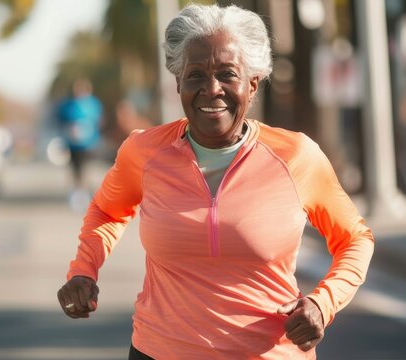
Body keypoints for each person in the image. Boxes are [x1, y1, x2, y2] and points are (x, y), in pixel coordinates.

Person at [57, 4, 374, 359]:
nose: (211, 89)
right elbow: (106, 210)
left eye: (227, 74)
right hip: (158, 351)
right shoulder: (144, 152)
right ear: (177, 82)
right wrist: (84, 270)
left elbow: (355, 239)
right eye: (195, 75)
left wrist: (322, 303)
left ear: (253, 84)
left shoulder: (296, 156)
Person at [56, 78, 103, 210]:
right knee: (76, 169)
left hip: (89, 143)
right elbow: (61, 122)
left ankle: (86, 193)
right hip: (73, 145)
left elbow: (98, 121)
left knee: (86, 169)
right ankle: (77, 195)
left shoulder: (94, 104)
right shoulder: (68, 105)